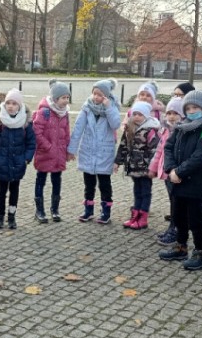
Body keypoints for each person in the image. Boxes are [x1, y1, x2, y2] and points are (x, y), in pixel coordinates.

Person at [158, 90, 202, 270]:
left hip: (194, 182)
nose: (192, 111)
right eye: (189, 108)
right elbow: (168, 147)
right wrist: (170, 169)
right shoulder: (181, 127)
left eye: (196, 107)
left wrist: (180, 172)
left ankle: (200, 251)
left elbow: (200, 157)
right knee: (178, 215)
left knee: (196, 219)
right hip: (176, 180)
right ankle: (180, 245)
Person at [68, 79, 122, 224]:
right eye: (94, 94)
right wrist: (71, 150)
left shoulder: (113, 107)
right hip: (88, 151)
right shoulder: (86, 108)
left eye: (100, 95)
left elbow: (115, 124)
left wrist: (109, 107)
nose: (96, 97)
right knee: (88, 184)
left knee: (104, 184)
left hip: (105, 152)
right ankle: (88, 209)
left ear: (106, 96)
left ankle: (106, 211)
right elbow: (78, 129)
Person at [0, 88, 36, 230]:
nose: (11, 106)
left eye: (14, 103)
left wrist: (26, 159)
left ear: (19, 105)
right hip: (1, 163)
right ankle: (0, 216)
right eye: (8, 103)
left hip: (18, 164)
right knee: (1, 190)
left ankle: (12, 216)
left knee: (14, 190)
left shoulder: (25, 124)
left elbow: (31, 143)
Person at [114, 100, 161, 230]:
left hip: (145, 168)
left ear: (145, 115)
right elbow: (123, 146)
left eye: (140, 114)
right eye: (134, 114)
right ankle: (135, 215)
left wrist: (153, 168)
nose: (136, 117)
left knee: (145, 192)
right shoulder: (129, 128)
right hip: (133, 167)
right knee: (137, 191)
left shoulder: (151, 130)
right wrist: (117, 162)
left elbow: (154, 150)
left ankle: (143, 217)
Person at [32, 80, 72, 223]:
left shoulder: (65, 113)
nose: (66, 100)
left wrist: (68, 149)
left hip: (58, 154)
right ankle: (40, 210)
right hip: (45, 153)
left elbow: (67, 132)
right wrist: (48, 146)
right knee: (40, 181)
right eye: (63, 98)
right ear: (55, 99)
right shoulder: (44, 112)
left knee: (57, 182)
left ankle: (55, 210)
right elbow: (36, 132)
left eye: (67, 97)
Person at [151, 96, 184, 245]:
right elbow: (160, 150)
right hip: (166, 172)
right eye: (169, 112)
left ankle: (176, 229)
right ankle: (172, 227)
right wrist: (153, 167)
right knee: (172, 200)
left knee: (177, 202)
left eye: (175, 113)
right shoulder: (164, 130)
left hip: (176, 173)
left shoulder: (182, 131)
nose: (171, 116)